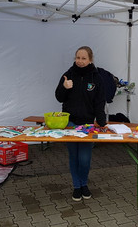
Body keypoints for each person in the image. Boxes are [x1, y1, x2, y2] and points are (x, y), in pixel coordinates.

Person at [55, 46, 107, 201]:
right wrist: (64, 88)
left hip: (87, 125)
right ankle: (77, 186)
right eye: (78, 57)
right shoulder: (68, 75)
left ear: (90, 59)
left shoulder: (96, 77)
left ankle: (84, 183)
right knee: (74, 156)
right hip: (70, 123)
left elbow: (99, 101)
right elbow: (59, 97)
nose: (80, 61)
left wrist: (101, 120)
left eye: (84, 58)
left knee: (84, 158)